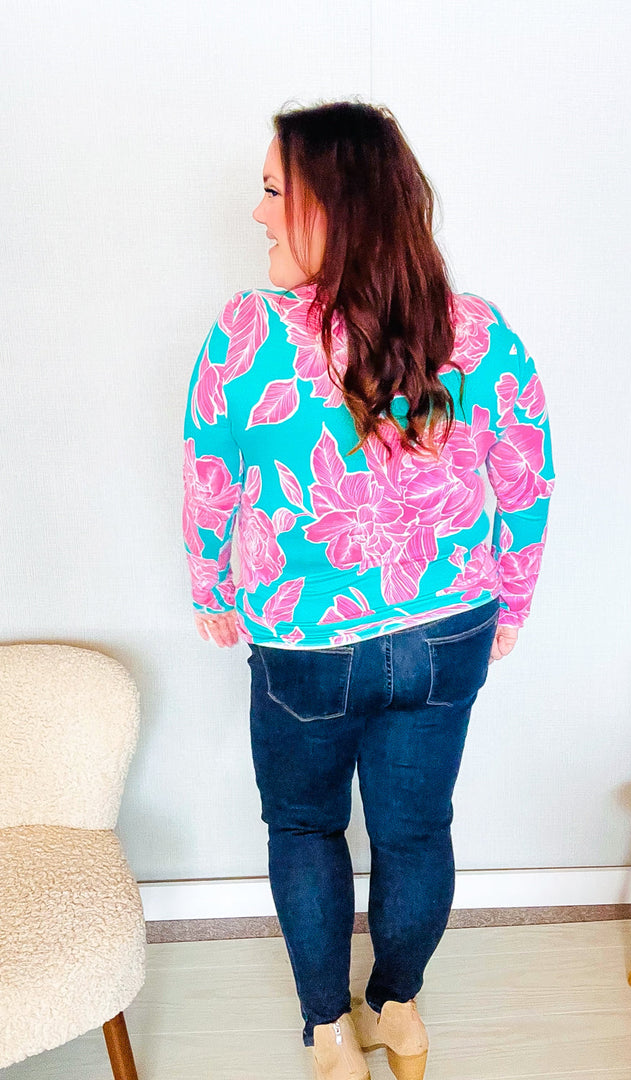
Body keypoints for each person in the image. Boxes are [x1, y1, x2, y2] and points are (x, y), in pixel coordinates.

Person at [182, 100, 554, 1080]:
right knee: (416, 832)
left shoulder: (247, 332)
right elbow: (527, 475)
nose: (257, 213)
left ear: (333, 206)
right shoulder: (475, 329)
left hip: (307, 646)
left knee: (305, 827)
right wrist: (512, 600)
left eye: (275, 191)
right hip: (450, 633)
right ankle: (398, 1010)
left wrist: (212, 584)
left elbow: (209, 470)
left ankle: (329, 1031)